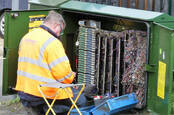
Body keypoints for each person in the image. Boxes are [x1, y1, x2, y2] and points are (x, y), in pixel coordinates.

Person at [15, 10, 87, 115]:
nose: (59, 34)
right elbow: (64, 76)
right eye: (61, 31)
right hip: (43, 95)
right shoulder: (53, 43)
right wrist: (72, 76)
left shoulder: (27, 37)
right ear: (57, 26)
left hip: (24, 93)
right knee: (82, 100)